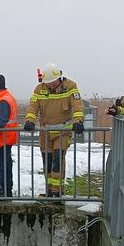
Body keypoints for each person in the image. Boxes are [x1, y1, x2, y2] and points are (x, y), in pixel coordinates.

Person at [23, 62, 84, 197]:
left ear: (59, 78)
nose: (50, 85)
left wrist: (78, 121)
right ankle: (49, 191)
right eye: (47, 82)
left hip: (63, 132)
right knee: (47, 162)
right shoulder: (40, 89)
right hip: (46, 133)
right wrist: (30, 120)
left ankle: (57, 192)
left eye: (52, 82)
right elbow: (33, 106)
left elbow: (77, 105)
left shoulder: (70, 86)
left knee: (57, 160)